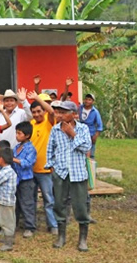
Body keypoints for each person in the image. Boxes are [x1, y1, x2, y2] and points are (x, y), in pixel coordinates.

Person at [45, 101, 92, 252]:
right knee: (59, 204)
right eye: (58, 112)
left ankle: (82, 239)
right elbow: (50, 149)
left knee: (80, 206)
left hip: (78, 174)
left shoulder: (83, 128)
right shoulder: (55, 129)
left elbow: (86, 147)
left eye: (63, 112)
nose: (59, 115)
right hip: (60, 173)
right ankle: (61, 236)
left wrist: (72, 134)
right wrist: (52, 166)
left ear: (73, 114)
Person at [27, 91, 58, 234]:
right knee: (30, 199)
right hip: (31, 169)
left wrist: (37, 98)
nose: (36, 114)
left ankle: (52, 225)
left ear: (43, 111)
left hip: (46, 169)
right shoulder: (31, 124)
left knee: (48, 199)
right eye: (34, 112)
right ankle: (31, 225)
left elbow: (51, 111)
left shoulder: (49, 122)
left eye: (39, 111)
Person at [11, 121, 37, 238]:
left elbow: (28, 163)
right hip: (16, 179)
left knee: (27, 203)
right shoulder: (16, 147)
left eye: (19, 133)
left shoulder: (30, 148)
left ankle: (30, 227)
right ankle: (13, 225)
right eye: (16, 133)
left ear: (27, 135)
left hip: (26, 180)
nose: (17, 135)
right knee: (15, 203)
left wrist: (14, 160)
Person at [0, 147, 17, 252]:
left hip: (5, 201)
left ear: (1, 159)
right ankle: (8, 238)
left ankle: (8, 243)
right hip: (7, 200)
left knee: (6, 222)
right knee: (9, 220)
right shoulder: (9, 171)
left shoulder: (4, 172)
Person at [78, 94, 103, 160]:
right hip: (79, 133)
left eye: (89, 100)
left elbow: (100, 125)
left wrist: (95, 136)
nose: (87, 101)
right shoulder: (79, 108)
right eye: (86, 99)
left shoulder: (95, 112)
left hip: (90, 134)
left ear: (92, 101)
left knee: (90, 155)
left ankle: (91, 167)